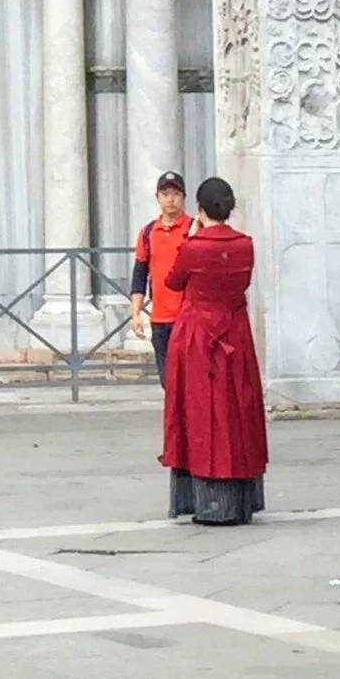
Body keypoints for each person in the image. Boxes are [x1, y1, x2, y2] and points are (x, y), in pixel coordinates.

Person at [161, 176, 268, 526]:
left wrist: (191, 237)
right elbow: (242, 282)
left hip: (197, 333)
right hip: (235, 330)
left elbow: (173, 281)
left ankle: (206, 503)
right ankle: (242, 500)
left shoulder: (194, 247)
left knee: (199, 411)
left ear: (201, 208)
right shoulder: (245, 244)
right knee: (237, 409)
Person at [129, 171, 193, 386]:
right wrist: (136, 314)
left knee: (189, 378)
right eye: (165, 194)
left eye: (176, 194)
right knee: (167, 380)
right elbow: (140, 274)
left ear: (183, 197)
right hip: (160, 317)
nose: (170, 199)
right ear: (157, 197)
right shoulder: (148, 233)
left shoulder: (193, 229)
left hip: (188, 316)